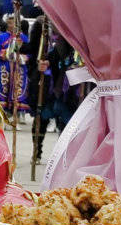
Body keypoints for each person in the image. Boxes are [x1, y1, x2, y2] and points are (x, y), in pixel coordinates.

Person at [26, 14, 82, 164]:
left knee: (66, 119)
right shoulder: (40, 23)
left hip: (65, 81)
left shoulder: (70, 24)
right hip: (44, 81)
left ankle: (63, 156)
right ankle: (37, 151)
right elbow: (32, 48)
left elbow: (61, 52)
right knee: (41, 117)